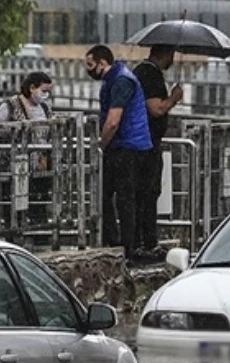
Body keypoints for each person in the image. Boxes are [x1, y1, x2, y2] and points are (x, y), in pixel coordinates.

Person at [85, 44, 153, 260]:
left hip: (127, 146)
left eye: (90, 64)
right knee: (109, 194)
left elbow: (113, 121)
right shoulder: (115, 78)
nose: (88, 70)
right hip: (126, 145)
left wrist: (99, 146)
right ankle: (118, 241)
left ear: (102, 62)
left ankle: (125, 246)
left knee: (123, 198)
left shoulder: (121, 80)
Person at [132, 46, 184, 262]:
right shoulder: (149, 75)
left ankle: (145, 241)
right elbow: (157, 109)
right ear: (166, 54)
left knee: (149, 193)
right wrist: (174, 97)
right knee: (146, 193)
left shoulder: (144, 72)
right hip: (147, 145)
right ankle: (145, 243)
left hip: (147, 143)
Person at [0, 72, 54, 224]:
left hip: (39, 163)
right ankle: (14, 231)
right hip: (15, 162)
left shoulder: (44, 108)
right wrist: (17, 131)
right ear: (32, 88)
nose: (45, 95)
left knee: (38, 200)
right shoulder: (10, 106)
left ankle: (40, 234)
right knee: (13, 201)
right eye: (43, 91)